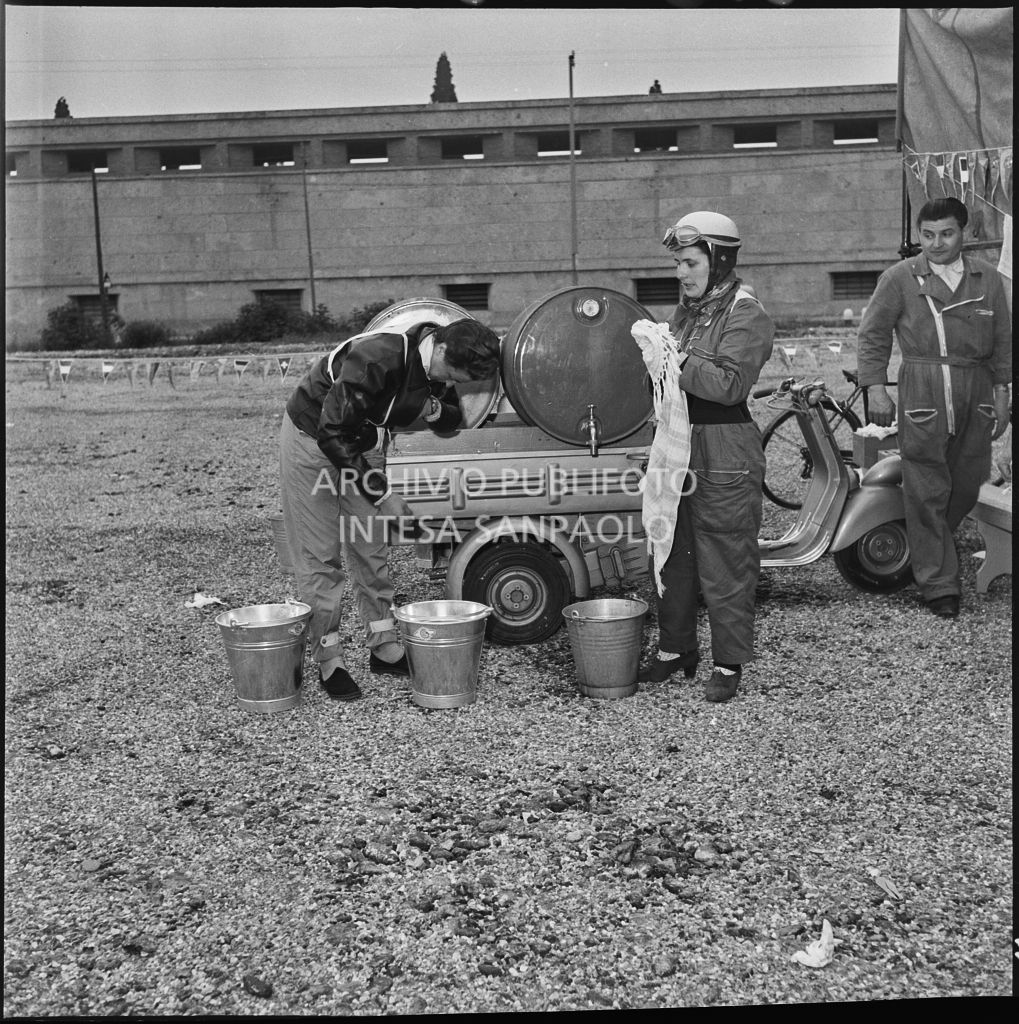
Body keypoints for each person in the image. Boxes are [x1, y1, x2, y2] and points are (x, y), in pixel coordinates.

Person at [280, 317, 501, 700]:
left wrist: (435, 409)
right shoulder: (377, 358)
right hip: (313, 440)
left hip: (361, 443)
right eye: (455, 376)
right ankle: (330, 659)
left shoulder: (439, 365)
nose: (453, 386)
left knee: (371, 546)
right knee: (320, 556)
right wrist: (382, 494)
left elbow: (452, 419)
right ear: (443, 349)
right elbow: (332, 432)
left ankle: (383, 645)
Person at [633, 211, 774, 703]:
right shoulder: (689, 312)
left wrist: (673, 356)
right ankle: (676, 650)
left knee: (725, 557)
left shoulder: (745, 312)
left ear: (718, 259)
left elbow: (730, 383)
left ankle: (728, 662)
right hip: (679, 443)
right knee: (670, 548)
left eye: (690, 263)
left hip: (724, 448)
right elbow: (670, 379)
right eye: (678, 264)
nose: (682, 273)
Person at [857, 196, 1012, 618]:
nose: (937, 244)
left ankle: (926, 548)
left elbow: (1002, 339)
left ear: (966, 232)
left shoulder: (988, 280)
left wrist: (1003, 389)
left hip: (976, 387)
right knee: (926, 488)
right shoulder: (900, 278)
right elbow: (873, 335)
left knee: (968, 482)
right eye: (928, 235)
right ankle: (939, 584)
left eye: (946, 234)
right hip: (923, 387)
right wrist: (876, 388)